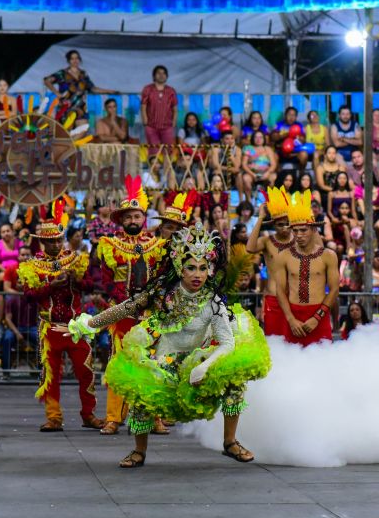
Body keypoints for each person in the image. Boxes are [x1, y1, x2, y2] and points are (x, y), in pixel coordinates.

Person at [64, 222, 271, 468]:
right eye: (191, 267)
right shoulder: (164, 294)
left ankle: (230, 442)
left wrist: (205, 368)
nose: (197, 274)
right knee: (141, 390)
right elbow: (128, 307)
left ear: (210, 270)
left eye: (203, 268)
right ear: (179, 268)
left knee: (236, 382)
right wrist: (88, 324)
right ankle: (139, 451)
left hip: (200, 363)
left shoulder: (214, 302)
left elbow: (227, 343)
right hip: (165, 363)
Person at [18, 201, 105, 432]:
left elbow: (89, 284)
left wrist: (75, 281)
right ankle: (54, 418)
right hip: (49, 328)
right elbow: (28, 296)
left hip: (76, 327)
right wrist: (51, 285)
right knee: (50, 376)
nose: (56, 244)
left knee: (86, 372)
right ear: (42, 242)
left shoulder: (76, 260)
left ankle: (89, 414)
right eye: (51, 241)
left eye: (59, 239)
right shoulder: (32, 265)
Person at [94, 175, 170, 435]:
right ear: (121, 221)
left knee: (153, 364)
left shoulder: (157, 246)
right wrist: (125, 299)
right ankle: (113, 417)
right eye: (128, 217)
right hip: (122, 313)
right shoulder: (109, 245)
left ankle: (155, 416)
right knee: (118, 364)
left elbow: (163, 277)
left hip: (150, 314)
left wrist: (153, 297)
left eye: (136, 216)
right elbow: (104, 280)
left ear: (143, 218)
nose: (133, 221)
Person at [271, 190, 339, 346]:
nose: (299, 235)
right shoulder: (284, 256)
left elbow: (334, 289)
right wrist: (290, 319)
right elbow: (280, 290)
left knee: (322, 362)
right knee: (292, 363)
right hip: (293, 316)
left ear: (314, 229)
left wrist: (317, 317)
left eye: (303, 230)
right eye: (295, 230)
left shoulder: (328, 255)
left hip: (318, 316)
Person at [246, 186, 293, 337]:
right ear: (274, 225)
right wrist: (260, 218)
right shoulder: (267, 241)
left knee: (294, 344)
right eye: (280, 224)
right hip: (273, 300)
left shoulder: (299, 242)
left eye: (287, 223)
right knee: (274, 343)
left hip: (294, 300)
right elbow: (250, 247)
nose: (285, 228)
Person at [44, 49, 117, 125]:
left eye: (77, 58)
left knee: (83, 129)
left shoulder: (83, 74)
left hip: (80, 107)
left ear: (79, 59)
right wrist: (56, 92)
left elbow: (93, 88)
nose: (75, 60)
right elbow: (47, 81)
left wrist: (109, 91)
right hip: (66, 107)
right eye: (72, 58)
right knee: (67, 132)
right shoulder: (62, 73)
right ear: (69, 60)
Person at [141, 65, 177, 155]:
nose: (161, 75)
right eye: (158, 73)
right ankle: (154, 169)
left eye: (164, 73)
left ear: (166, 76)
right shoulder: (147, 89)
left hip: (167, 126)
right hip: (151, 126)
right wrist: (145, 121)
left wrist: (174, 121)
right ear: (154, 76)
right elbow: (143, 106)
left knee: (168, 153)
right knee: (153, 152)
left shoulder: (171, 91)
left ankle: (166, 169)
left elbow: (174, 108)